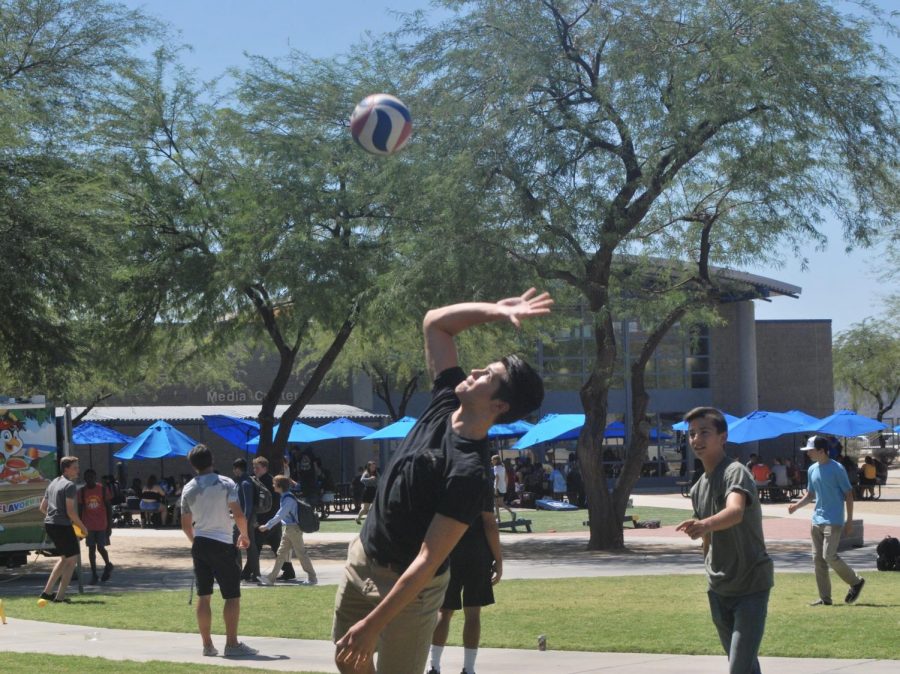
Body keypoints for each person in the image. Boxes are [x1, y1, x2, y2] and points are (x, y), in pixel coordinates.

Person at [333, 288, 551, 674]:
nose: (475, 371)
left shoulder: (469, 470)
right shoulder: (446, 402)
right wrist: (497, 309)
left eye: (488, 375)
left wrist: (374, 624)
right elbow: (436, 321)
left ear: (499, 406)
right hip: (363, 560)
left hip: (410, 590)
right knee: (347, 663)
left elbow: (428, 559)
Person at [676, 407, 773, 674]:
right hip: (718, 589)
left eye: (704, 432)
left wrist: (704, 524)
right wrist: (704, 542)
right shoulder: (698, 488)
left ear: (723, 437)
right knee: (746, 666)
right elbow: (707, 539)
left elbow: (736, 511)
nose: (696, 439)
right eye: (692, 434)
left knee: (738, 669)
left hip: (751, 585)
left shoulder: (735, 472)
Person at [180, 444, 258, 658]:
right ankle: (231, 644)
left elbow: (186, 525)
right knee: (232, 596)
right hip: (222, 543)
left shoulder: (188, 488)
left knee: (203, 596)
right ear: (211, 460)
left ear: (193, 465)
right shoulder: (225, 483)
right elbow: (239, 514)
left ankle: (207, 645)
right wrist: (244, 535)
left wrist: (195, 542)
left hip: (200, 543)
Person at [427, 494, 503, 674]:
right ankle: (468, 668)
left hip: (449, 551)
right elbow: (490, 524)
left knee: (444, 612)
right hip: (477, 553)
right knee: (473, 613)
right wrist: (498, 559)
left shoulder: (446, 478)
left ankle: (433, 666)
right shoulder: (481, 480)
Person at [788, 436, 865, 606]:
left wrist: (849, 521)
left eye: (810, 450)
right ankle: (825, 599)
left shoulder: (837, 469)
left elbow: (849, 494)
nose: (808, 453)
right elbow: (810, 495)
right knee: (818, 560)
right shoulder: (812, 469)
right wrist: (796, 506)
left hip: (834, 520)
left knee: (829, 555)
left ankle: (856, 582)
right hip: (817, 520)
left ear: (821, 451)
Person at [39, 456, 89, 604]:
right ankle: (60, 597)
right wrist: (83, 527)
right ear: (66, 468)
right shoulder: (69, 486)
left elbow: (42, 508)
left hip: (50, 524)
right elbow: (71, 512)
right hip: (61, 525)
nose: (78, 470)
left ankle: (47, 593)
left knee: (65, 558)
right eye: (75, 467)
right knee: (72, 559)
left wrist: (53, 517)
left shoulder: (53, 482)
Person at [258, 474, 317, 586]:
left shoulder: (288, 499)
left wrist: (267, 526)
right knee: (281, 553)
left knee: (301, 553)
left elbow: (280, 515)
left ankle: (312, 578)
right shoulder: (285, 497)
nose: (273, 486)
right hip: (289, 529)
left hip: (293, 529)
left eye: (274, 484)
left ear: (280, 486)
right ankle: (271, 579)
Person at [253, 456, 295, 580]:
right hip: (273, 520)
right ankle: (288, 571)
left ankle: (248, 573)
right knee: (277, 548)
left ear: (265, 468)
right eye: (254, 467)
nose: (255, 470)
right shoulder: (265, 480)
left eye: (257, 468)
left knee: (256, 546)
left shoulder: (266, 482)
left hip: (267, 519)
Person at [78, 468, 114, 584]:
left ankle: (108, 564)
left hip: (102, 525)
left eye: (91, 477)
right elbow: (79, 510)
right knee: (91, 549)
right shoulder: (82, 492)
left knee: (101, 547)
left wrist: (109, 526)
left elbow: (109, 508)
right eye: (87, 477)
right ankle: (94, 574)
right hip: (88, 525)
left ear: (95, 478)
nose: (89, 480)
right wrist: (79, 526)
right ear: (84, 479)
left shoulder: (103, 490)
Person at [232, 458, 260, 583]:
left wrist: (245, 520)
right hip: (244, 519)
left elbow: (248, 505)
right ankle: (254, 573)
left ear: (237, 469)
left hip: (244, 520)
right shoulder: (243, 481)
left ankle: (240, 572)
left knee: (239, 545)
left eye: (234, 469)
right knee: (250, 546)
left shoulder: (245, 483)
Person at [491, 454, 514, 521]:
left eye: (492, 460)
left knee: (496, 503)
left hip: (497, 487)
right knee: (501, 503)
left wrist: (495, 489)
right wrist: (505, 486)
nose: (491, 461)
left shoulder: (496, 467)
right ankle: (511, 513)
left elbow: (497, 478)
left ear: (496, 460)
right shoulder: (502, 467)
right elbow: (506, 477)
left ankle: (498, 518)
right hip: (502, 487)